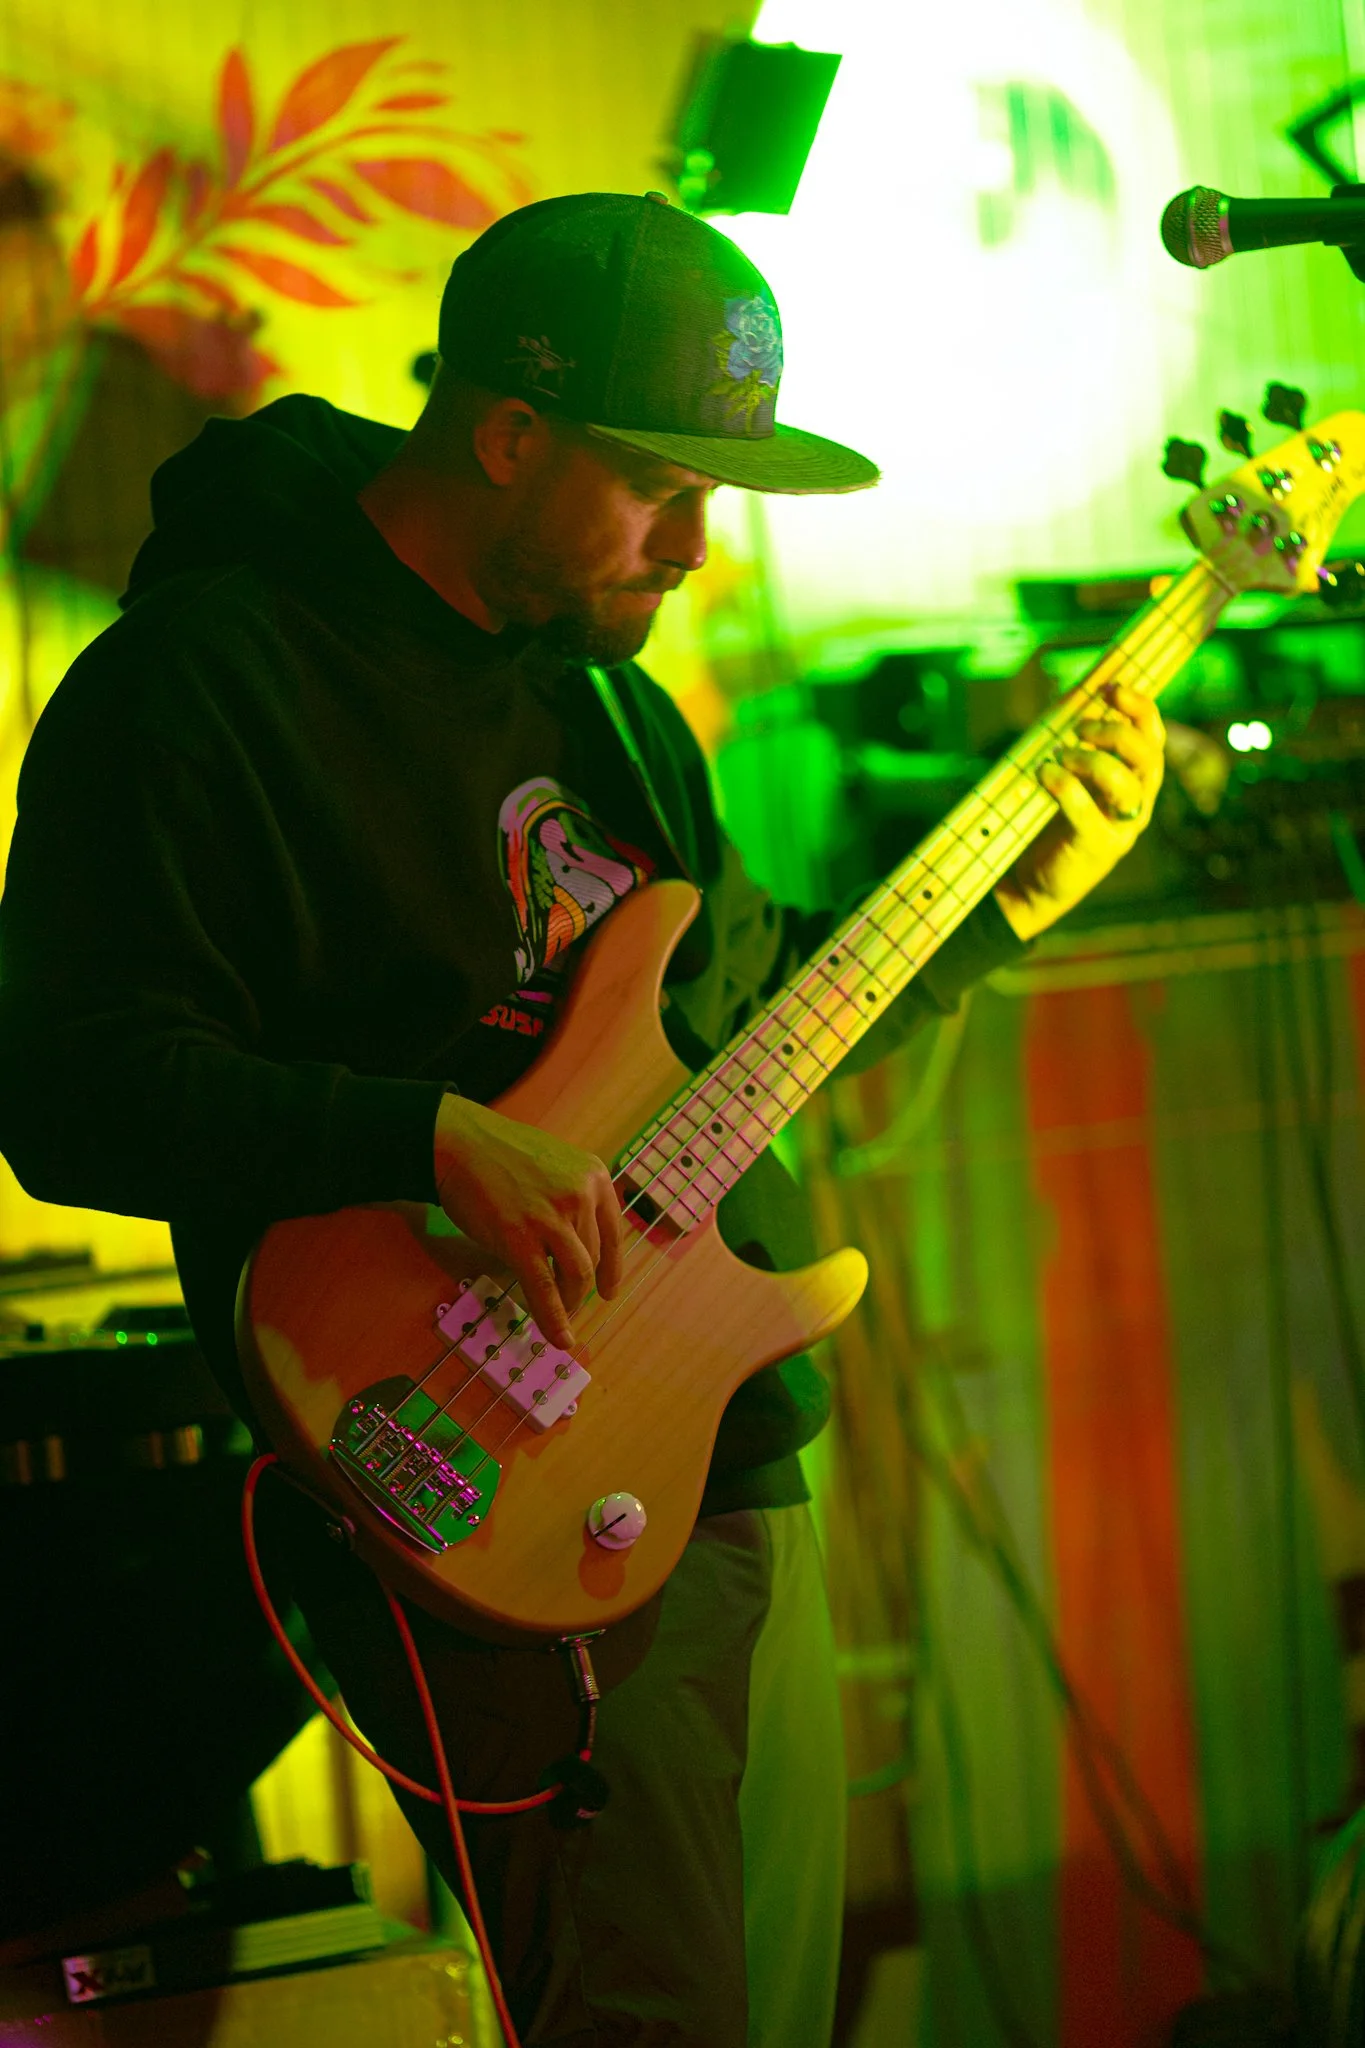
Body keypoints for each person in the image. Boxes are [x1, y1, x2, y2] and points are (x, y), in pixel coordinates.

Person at [0, 192, 1164, 2044]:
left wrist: (1006, 907)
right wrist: (427, 1137)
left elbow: (742, 1036)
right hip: (451, 1448)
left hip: (705, 1449)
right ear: (508, 435)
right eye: (661, 486)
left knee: (719, 2000)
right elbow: (61, 1095)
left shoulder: (615, 715)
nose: (701, 546)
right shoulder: (196, 688)